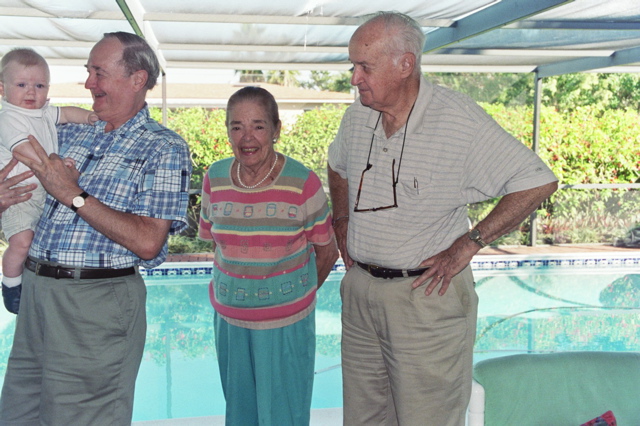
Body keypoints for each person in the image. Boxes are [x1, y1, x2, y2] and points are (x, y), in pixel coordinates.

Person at [327, 11, 558, 426]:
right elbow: (337, 165)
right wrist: (341, 219)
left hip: (424, 299)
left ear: (405, 64)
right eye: (353, 66)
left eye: (365, 67)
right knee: (362, 420)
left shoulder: (457, 119)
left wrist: (469, 244)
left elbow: (537, 181)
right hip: (361, 295)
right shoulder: (357, 116)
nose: (354, 78)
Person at [0, 32, 192, 424]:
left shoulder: (164, 148)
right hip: (37, 295)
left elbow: (148, 241)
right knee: (17, 414)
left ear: (137, 79)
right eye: (89, 72)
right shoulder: (67, 131)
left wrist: (74, 194)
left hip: (96, 303)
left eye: (98, 73)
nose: (88, 83)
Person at [198, 86, 339, 426]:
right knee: (240, 415)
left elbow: (328, 252)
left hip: (285, 326)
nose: (247, 137)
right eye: (236, 126)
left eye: (258, 126)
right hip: (230, 322)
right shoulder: (214, 178)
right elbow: (216, 244)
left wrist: (293, 297)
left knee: (283, 416)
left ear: (276, 129)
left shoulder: (302, 182)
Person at [0, 48, 99, 314]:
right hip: (19, 194)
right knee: (21, 241)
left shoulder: (43, 112)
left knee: (32, 242)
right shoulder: (8, 118)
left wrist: (89, 117)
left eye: (39, 85)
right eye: (21, 85)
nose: (31, 92)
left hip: (41, 192)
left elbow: (65, 114)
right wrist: (54, 164)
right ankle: (10, 285)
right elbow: (24, 151)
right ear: (2, 89)